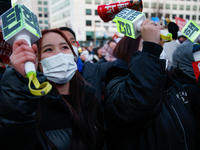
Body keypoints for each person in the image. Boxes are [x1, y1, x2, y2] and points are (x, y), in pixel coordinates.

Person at [0, 29, 105, 150]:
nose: (60, 54)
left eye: (65, 47)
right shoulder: (29, 106)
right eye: (48, 49)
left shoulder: (90, 98)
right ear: (36, 60)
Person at [104, 19, 199, 150]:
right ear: (129, 52)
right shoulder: (117, 87)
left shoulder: (175, 86)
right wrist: (151, 48)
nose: (158, 49)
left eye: (160, 44)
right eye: (147, 44)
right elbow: (138, 102)